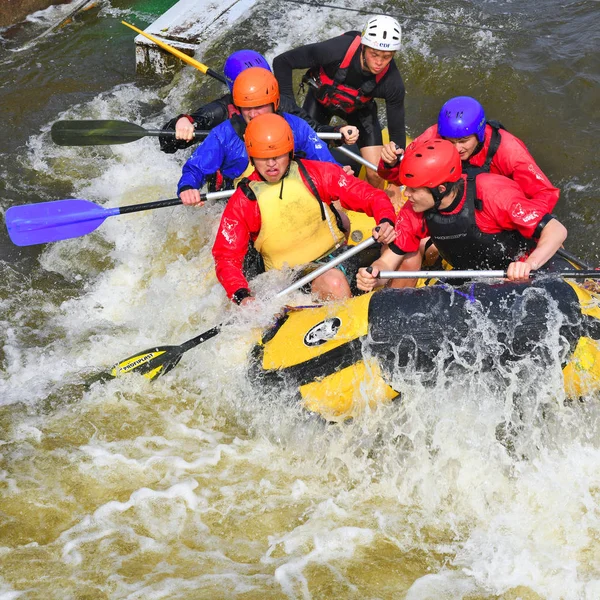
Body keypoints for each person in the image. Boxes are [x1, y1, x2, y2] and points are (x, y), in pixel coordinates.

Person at [212, 113, 397, 304]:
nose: (271, 164)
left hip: (336, 255)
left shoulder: (315, 172)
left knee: (400, 248)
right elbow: (226, 256)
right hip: (291, 277)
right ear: (251, 156)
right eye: (263, 157)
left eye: (278, 155)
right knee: (334, 282)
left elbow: (369, 196)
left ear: (290, 151)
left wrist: (385, 220)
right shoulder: (244, 200)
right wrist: (241, 295)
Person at [357, 139, 568, 292]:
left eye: (413, 189)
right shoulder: (415, 210)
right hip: (473, 276)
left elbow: (556, 229)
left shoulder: (492, 192)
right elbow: (388, 262)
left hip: (526, 270)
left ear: (440, 189)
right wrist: (373, 274)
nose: (406, 194)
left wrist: (529, 265)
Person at [273, 15, 406, 192]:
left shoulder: (392, 82)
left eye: (387, 57)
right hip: (320, 101)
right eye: (374, 54)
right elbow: (282, 61)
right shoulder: (335, 50)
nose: (379, 63)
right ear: (363, 46)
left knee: (376, 174)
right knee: (303, 159)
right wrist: (287, 102)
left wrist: (393, 168)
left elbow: (397, 135)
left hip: (359, 110)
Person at [177, 67, 346, 206]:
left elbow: (323, 159)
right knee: (215, 226)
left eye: (259, 106)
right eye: (246, 107)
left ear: (275, 103)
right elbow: (195, 168)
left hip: (288, 193)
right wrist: (188, 187)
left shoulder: (295, 126)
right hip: (241, 203)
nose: (253, 114)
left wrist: (339, 173)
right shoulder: (223, 135)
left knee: (337, 207)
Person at [379, 95, 560, 213]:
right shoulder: (432, 138)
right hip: (448, 202)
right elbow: (403, 178)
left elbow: (544, 193)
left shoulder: (508, 150)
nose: (457, 149)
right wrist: (390, 164)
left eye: (464, 141)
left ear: (479, 134)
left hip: (491, 208)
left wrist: (538, 225)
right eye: (450, 142)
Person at [159, 49, 358, 155]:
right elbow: (168, 144)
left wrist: (336, 133)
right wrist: (182, 123)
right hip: (234, 185)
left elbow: (313, 131)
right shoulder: (221, 111)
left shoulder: (281, 105)